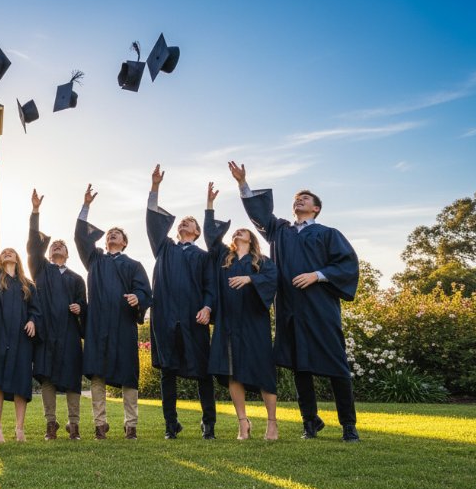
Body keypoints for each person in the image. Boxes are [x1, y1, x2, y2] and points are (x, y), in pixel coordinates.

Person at [229, 161, 361, 442]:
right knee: (300, 365)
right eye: (296, 198)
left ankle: (349, 425)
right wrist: (243, 183)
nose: (299, 200)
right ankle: (310, 422)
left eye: (306, 198)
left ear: (316, 208)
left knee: (336, 365)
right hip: (289, 307)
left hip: (320, 306)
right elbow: (260, 213)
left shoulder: (327, 233)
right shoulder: (280, 231)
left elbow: (347, 264)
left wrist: (318, 275)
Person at [75, 184, 152, 440]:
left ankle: (131, 425)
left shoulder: (134, 265)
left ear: (125, 242)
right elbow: (80, 237)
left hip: (122, 325)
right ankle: (100, 425)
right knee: (97, 374)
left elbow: (145, 292)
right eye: (109, 233)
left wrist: (136, 298)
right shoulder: (95, 260)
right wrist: (85, 206)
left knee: (128, 376)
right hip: (97, 325)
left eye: (117, 233)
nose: (111, 236)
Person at [146, 165, 218, 440]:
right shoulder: (165, 248)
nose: (183, 223)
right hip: (165, 318)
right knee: (168, 371)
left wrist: (207, 307)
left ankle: (208, 423)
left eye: (189, 222)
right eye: (181, 222)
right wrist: (155, 188)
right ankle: (170, 425)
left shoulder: (203, 257)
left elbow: (211, 286)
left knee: (202, 373)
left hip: (193, 317)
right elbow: (153, 223)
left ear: (198, 231)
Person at [204, 182, 280, 440]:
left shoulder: (262, 262)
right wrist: (210, 205)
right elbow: (210, 236)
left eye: (244, 231)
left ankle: (272, 422)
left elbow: (273, 281)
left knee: (262, 371)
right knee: (231, 370)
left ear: (251, 239)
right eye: (236, 231)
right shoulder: (224, 259)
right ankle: (243, 423)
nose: (239, 232)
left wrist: (250, 280)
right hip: (228, 321)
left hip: (253, 322)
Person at [0, 205, 42, 442]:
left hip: (20, 339)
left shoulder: (29, 285)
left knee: (19, 382)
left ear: (17, 258)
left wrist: (34, 322)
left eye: (10, 251)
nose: (6, 253)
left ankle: (19, 428)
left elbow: (37, 311)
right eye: (3, 252)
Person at [27, 189, 87, 440]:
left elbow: (84, 306)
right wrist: (35, 212)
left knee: (72, 380)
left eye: (61, 246)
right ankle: (51, 424)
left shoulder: (76, 278)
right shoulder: (41, 270)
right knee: (47, 380)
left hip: (70, 334)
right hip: (46, 333)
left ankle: (74, 425)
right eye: (54, 246)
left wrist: (80, 309)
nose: (57, 247)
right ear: (48, 253)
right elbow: (32, 246)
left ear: (68, 253)